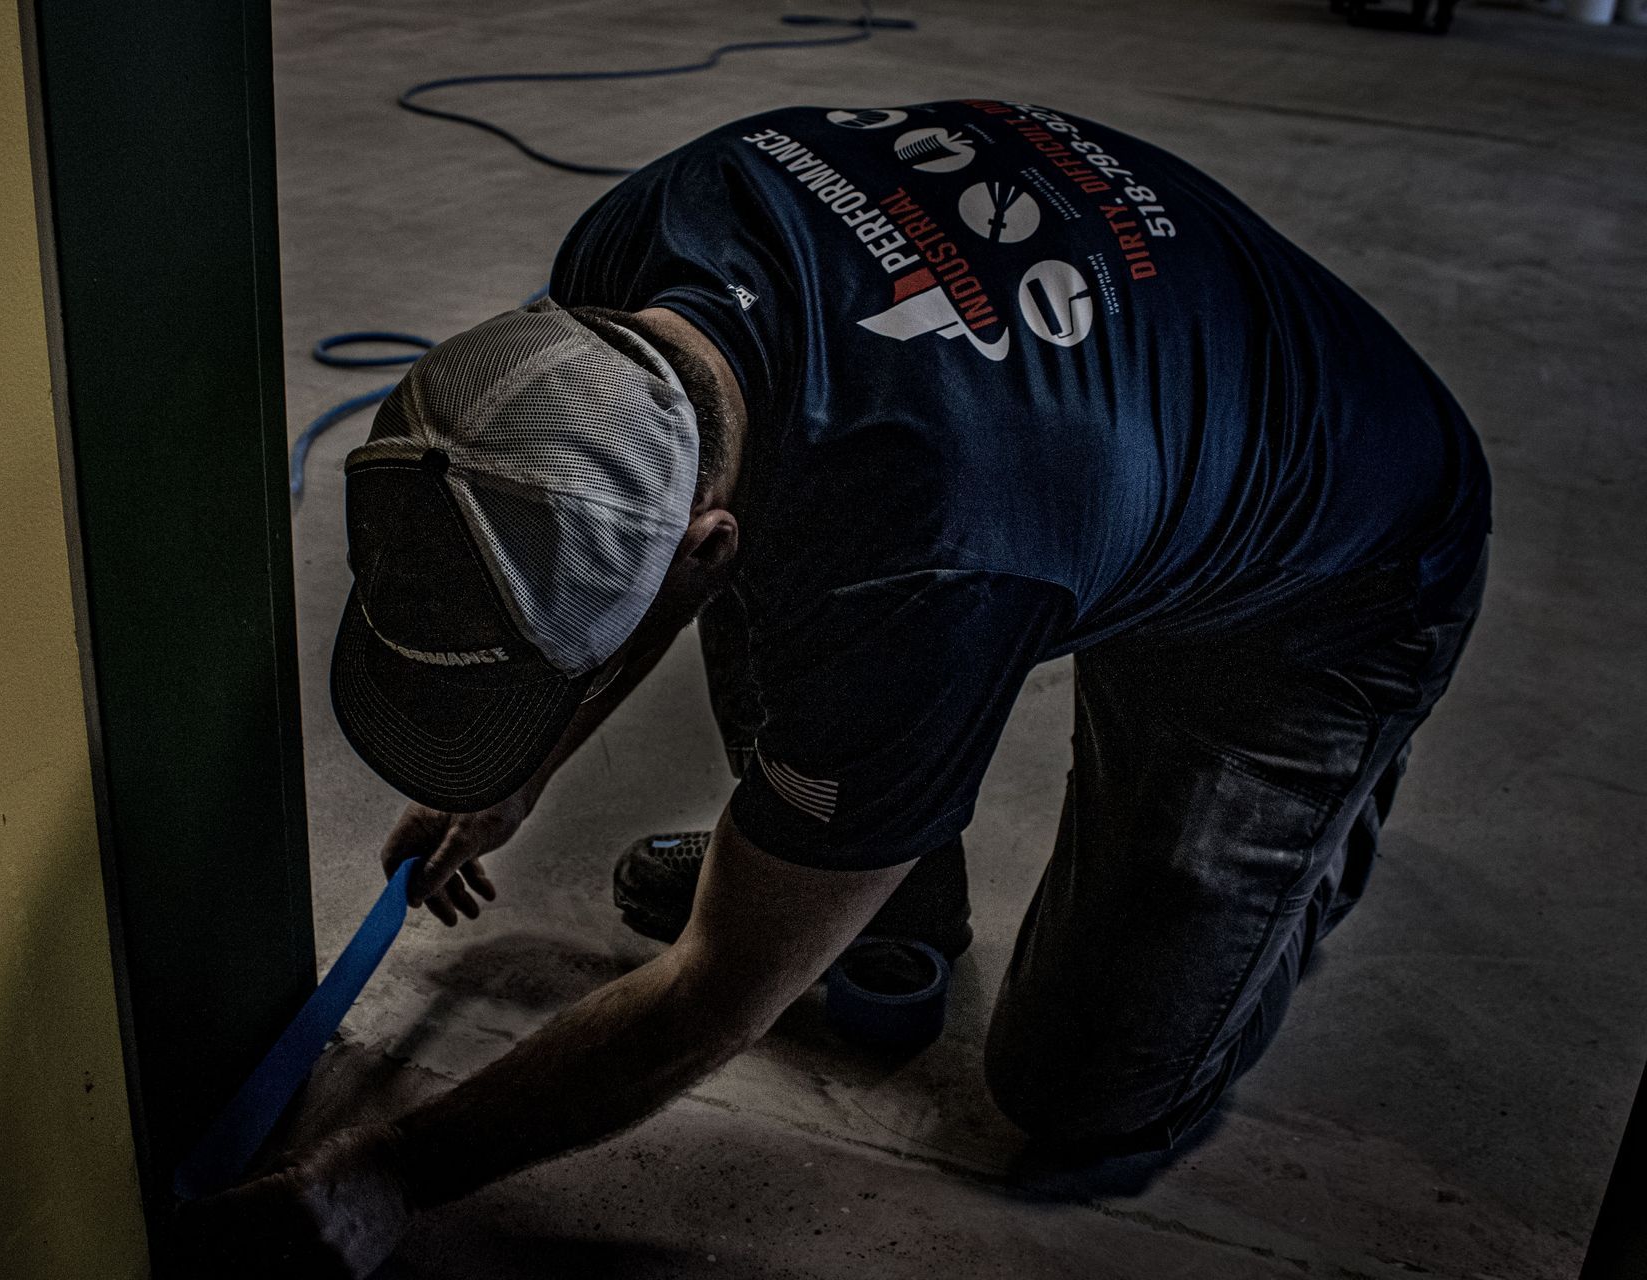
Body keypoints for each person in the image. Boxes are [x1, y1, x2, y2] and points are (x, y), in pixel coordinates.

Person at [198, 99, 1489, 1274]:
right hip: (1117, 433)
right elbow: (651, 541)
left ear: (705, 549)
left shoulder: (924, 557)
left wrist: (377, 1180)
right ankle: (870, 877)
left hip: (1334, 573)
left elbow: (715, 990)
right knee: (828, 635)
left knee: (1078, 1091)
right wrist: (515, 773)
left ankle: (1311, 828)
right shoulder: (637, 245)